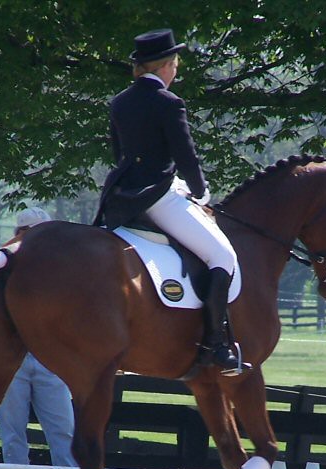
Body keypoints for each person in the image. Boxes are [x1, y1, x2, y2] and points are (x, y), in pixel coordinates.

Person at [94, 28, 243, 375]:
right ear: (165, 66)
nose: (176, 70)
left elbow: (120, 153)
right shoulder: (169, 102)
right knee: (223, 256)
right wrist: (199, 190)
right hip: (159, 196)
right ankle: (216, 345)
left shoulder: (119, 102)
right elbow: (185, 155)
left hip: (122, 197)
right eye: (175, 64)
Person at [0, 207, 98, 469]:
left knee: (63, 429)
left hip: (50, 359)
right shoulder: (1, 266)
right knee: (12, 430)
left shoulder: (61, 269)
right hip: (12, 359)